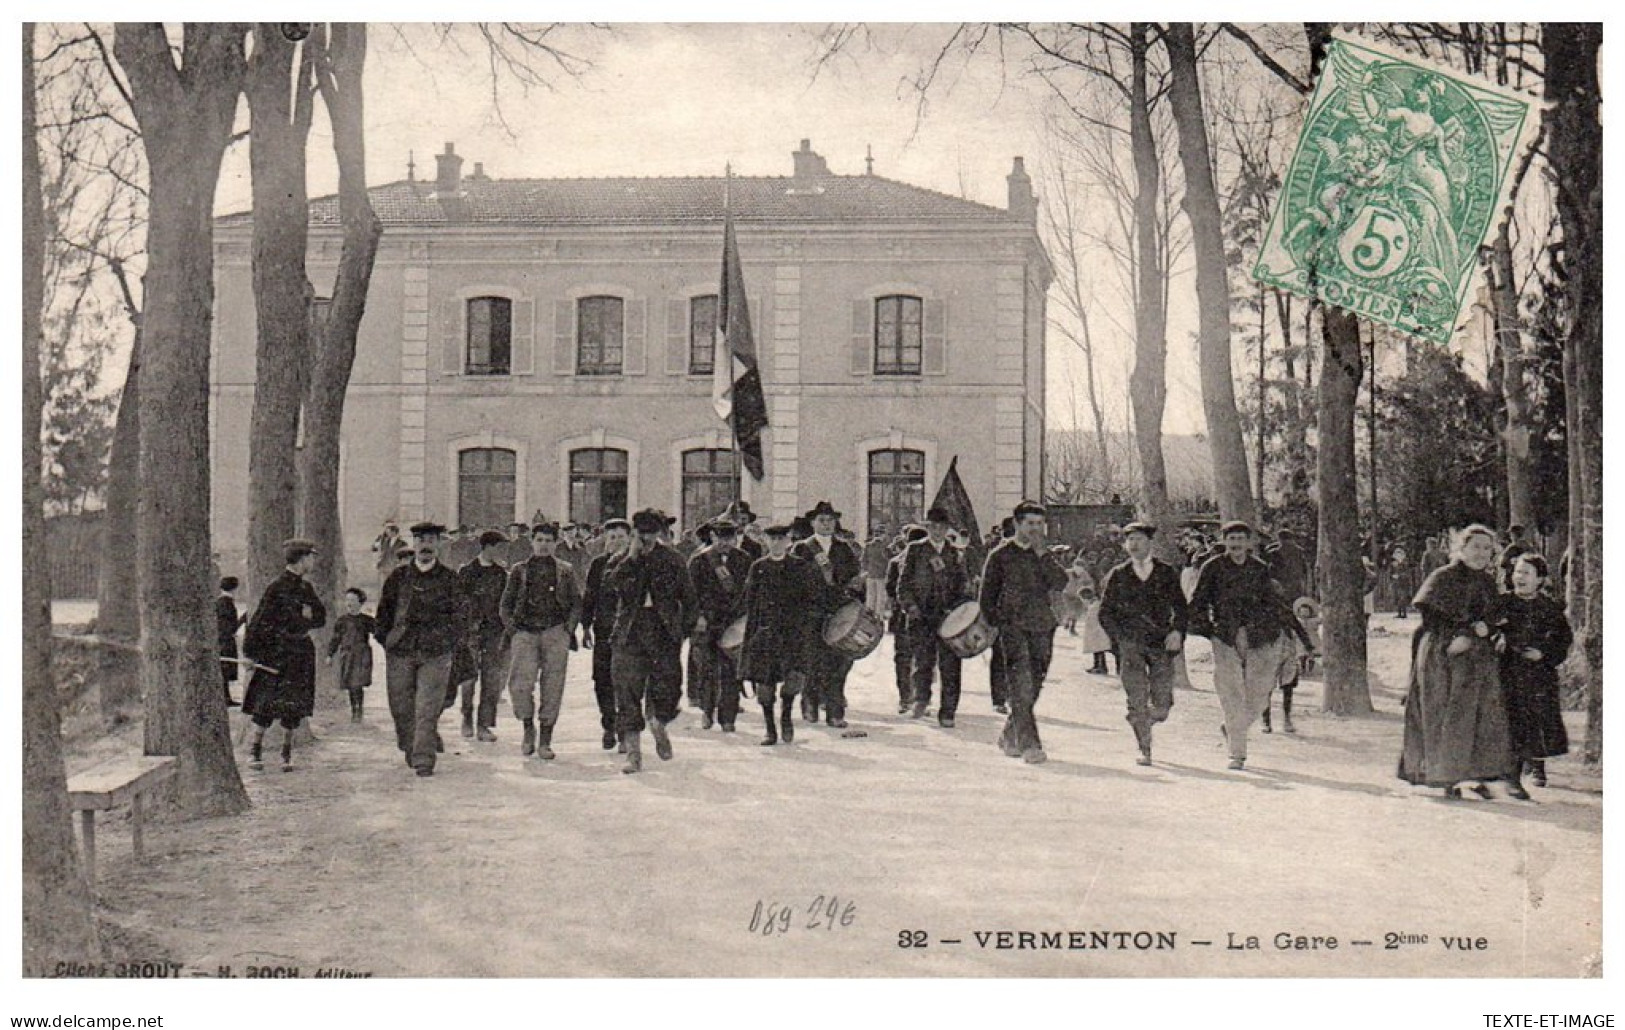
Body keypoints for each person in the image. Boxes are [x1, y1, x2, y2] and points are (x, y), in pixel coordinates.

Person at [1398, 525, 1513, 798]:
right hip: (1444, 654)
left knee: (1480, 714)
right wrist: (1461, 634)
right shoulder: (1444, 576)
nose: (1482, 553)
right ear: (1461, 549)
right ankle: (1445, 777)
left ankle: (1476, 775)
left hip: (1476, 658)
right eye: (1476, 547)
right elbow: (1430, 614)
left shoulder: (1486, 581)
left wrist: (1487, 627)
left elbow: (1493, 614)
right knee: (1445, 713)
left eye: (1487, 548)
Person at [1188, 521, 1312, 771]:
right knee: (1231, 692)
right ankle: (1237, 754)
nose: (1235, 544)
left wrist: (1304, 640)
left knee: (1259, 697)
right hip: (1225, 637)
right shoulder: (1212, 568)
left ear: (1249, 543)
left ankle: (1233, 728)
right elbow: (1197, 601)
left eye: (1240, 539)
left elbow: (1276, 604)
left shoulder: (1260, 568)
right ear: (1225, 541)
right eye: (1231, 539)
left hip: (1258, 637)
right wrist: (1208, 630)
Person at [979, 501, 1069, 764]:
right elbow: (987, 595)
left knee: (1036, 683)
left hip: (1042, 624)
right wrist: (996, 623)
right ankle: (1030, 744)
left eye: (1039, 524)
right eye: (1029, 523)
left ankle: (1009, 733)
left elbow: (1061, 582)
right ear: (1017, 524)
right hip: (1013, 626)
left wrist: (1043, 555)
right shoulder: (1000, 555)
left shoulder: (1044, 553)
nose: (1035, 529)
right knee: (1021, 684)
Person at [608, 509, 694, 773]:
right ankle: (633, 753)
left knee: (668, 688)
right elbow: (612, 584)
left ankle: (658, 723)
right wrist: (632, 558)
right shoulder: (623, 558)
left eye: (651, 532)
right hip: (630, 632)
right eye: (641, 533)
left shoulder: (673, 559)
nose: (646, 538)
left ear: (660, 533)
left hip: (662, 631)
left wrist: (682, 632)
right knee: (627, 691)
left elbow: (689, 599)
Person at [375, 523, 463, 777]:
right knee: (401, 707)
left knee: (427, 706)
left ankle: (424, 758)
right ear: (413, 545)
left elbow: (461, 616)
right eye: (420, 540)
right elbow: (383, 614)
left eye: (431, 540)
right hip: (401, 650)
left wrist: (447, 642)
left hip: (435, 653)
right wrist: (386, 640)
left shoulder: (449, 579)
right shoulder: (398, 578)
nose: (425, 545)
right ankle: (409, 745)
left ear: (438, 544)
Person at [1097, 522, 1189, 766]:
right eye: (1130, 540)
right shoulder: (1118, 575)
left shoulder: (1166, 572)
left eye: (1139, 539)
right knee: (1136, 696)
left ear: (1150, 543)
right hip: (1130, 645)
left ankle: (1150, 718)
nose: (1134, 544)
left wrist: (1177, 631)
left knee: (1163, 703)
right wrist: (1119, 639)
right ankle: (1144, 748)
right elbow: (1105, 612)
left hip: (1160, 643)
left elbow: (1181, 607)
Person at [241, 540, 327, 772]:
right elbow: (258, 622)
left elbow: (320, 617)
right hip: (276, 654)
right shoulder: (276, 588)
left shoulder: (306, 589)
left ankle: (286, 754)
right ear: (301, 559)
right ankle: (255, 750)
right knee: (265, 705)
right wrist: (250, 653)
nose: (313, 561)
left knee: (293, 706)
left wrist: (306, 619)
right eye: (311, 557)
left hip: (300, 654)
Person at [499, 522, 581, 760]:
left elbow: (576, 602)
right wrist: (512, 629)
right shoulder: (519, 570)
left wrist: (568, 629)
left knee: (553, 686)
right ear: (532, 542)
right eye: (539, 540)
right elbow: (505, 604)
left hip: (555, 632)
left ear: (555, 543)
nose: (543, 545)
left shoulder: (565, 570)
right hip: (525, 632)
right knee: (519, 684)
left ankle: (545, 738)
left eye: (548, 541)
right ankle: (527, 727)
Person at [1492, 554, 1573, 794]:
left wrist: (1545, 654)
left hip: (1540, 675)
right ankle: (1512, 775)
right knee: (1513, 720)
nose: (1520, 577)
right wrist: (1499, 638)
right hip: (1509, 672)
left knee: (1539, 720)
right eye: (1517, 572)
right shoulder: (1502, 603)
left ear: (1539, 579)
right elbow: (1490, 630)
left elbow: (1563, 640)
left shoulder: (1549, 608)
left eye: (1526, 573)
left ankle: (1537, 766)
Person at [738, 523, 820, 746]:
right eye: (771, 539)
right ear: (765, 541)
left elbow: (812, 599)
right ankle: (769, 728)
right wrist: (751, 636)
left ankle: (786, 716)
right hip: (765, 633)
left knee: (793, 680)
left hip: (793, 634)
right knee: (765, 685)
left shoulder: (800, 566)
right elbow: (751, 604)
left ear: (788, 542)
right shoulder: (758, 567)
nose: (776, 543)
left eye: (780, 539)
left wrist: (805, 626)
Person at [898, 506, 974, 728]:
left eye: (942, 527)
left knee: (950, 666)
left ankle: (948, 710)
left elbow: (964, 585)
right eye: (933, 527)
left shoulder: (955, 553)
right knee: (923, 661)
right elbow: (904, 584)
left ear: (947, 529)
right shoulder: (915, 550)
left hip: (948, 618)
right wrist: (910, 607)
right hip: (921, 616)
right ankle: (921, 700)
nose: (938, 531)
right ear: (927, 527)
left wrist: (960, 610)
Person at [792, 501, 864, 729]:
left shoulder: (844, 549)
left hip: (838, 613)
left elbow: (855, 580)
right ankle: (810, 705)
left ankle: (835, 712)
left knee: (839, 662)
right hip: (811, 613)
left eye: (830, 520)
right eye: (821, 520)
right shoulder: (802, 549)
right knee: (812, 661)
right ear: (813, 523)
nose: (826, 524)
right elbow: (793, 583)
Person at [688, 516, 752, 732]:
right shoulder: (699, 560)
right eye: (720, 537)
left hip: (732, 622)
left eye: (730, 537)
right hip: (706, 622)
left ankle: (728, 717)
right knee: (706, 669)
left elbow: (748, 592)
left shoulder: (744, 559)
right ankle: (707, 711)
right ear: (712, 536)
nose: (725, 542)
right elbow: (689, 594)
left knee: (732, 671)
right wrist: (697, 617)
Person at [454, 530, 510, 743]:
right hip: (470, 632)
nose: (501, 551)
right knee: (468, 678)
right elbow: (458, 603)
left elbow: (505, 603)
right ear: (487, 547)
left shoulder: (501, 573)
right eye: (499, 547)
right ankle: (467, 717)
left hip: (494, 632)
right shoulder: (467, 572)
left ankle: (484, 725)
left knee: (491, 679)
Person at [581, 518, 631, 751]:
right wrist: (586, 626)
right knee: (602, 679)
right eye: (612, 537)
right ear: (605, 540)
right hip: (603, 631)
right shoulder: (598, 565)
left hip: (630, 633)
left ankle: (625, 730)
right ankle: (609, 725)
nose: (617, 541)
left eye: (621, 536)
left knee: (627, 680)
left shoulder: (638, 563)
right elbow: (589, 596)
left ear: (630, 538)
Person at [885, 526, 927, 714]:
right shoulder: (926, 561)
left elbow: (890, 588)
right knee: (922, 658)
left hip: (902, 617)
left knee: (903, 658)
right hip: (922, 616)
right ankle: (920, 696)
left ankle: (905, 698)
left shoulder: (895, 561)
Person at [326, 587, 377, 723]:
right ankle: (354, 709)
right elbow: (335, 639)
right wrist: (330, 655)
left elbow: (379, 634)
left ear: (360, 602)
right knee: (349, 683)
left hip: (362, 655)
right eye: (347, 600)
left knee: (358, 683)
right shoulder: (342, 621)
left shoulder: (366, 620)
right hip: (347, 654)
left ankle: (358, 710)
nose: (349, 603)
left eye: (353, 600)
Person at [216, 576, 244, 706]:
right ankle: (226, 699)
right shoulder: (226, 603)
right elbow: (229, 627)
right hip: (225, 641)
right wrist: (243, 620)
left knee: (225, 670)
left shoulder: (221, 602)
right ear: (234, 589)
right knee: (225, 669)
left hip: (223, 640)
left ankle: (227, 698)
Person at [862, 524, 892, 619]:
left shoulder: (868, 546)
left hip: (872, 574)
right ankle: (878, 616)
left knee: (871, 597)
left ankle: (870, 616)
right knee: (880, 597)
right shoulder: (886, 547)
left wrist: (866, 569)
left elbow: (863, 560)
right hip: (881, 575)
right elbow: (889, 560)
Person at [371, 520, 402, 590]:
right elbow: (374, 549)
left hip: (395, 570)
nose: (386, 532)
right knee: (383, 588)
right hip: (384, 569)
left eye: (388, 530)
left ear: (394, 531)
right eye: (386, 530)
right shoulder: (384, 542)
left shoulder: (402, 543)